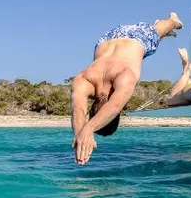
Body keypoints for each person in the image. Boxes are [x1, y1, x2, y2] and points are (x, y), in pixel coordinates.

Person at [69, 12, 182, 165]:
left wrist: (86, 131)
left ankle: (172, 21)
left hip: (136, 39)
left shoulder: (125, 76)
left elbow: (114, 105)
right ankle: (163, 29)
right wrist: (79, 134)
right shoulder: (83, 79)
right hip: (106, 40)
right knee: (152, 41)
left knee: (158, 30)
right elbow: (78, 109)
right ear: (91, 110)